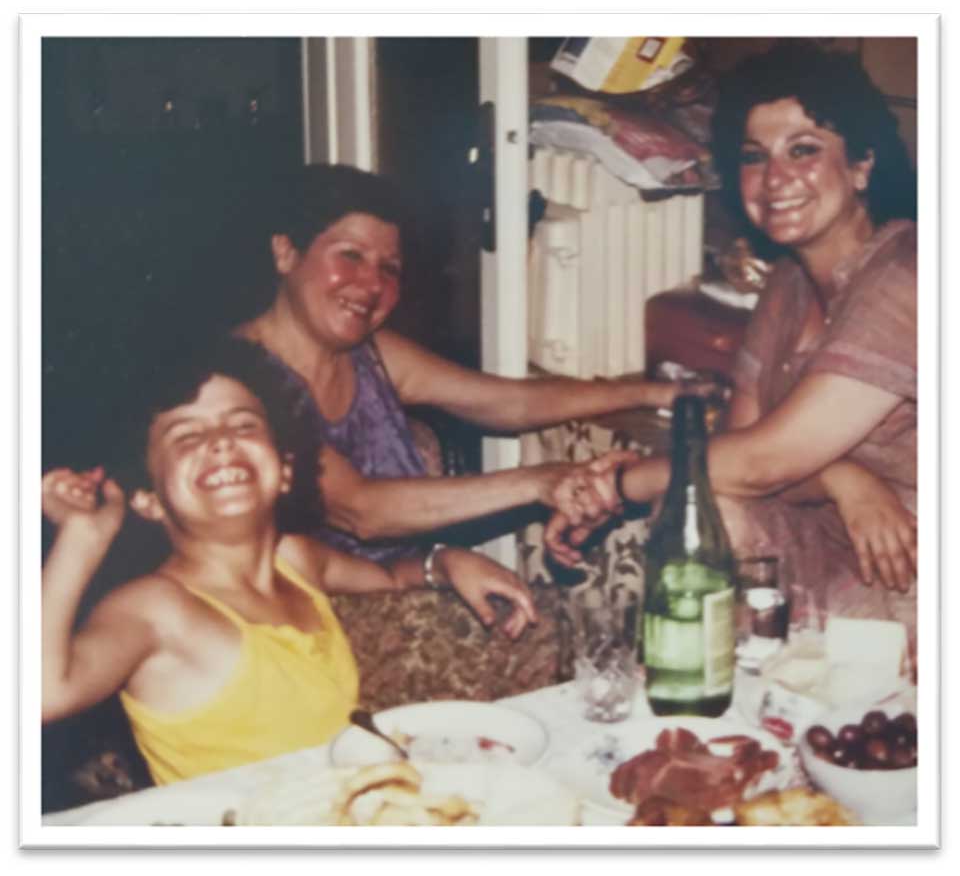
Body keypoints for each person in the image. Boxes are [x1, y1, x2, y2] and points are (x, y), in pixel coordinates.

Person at [545, 41, 918, 656]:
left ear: (862, 165)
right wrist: (839, 478)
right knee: (705, 511)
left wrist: (618, 485)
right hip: (828, 548)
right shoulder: (788, 283)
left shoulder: (908, 273)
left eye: (803, 150)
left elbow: (767, 461)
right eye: (753, 156)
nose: (776, 178)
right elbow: (742, 454)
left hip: (916, 571)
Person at [41, 338, 538, 786]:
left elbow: (389, 576)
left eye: (243, 424)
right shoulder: (155, 609)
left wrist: (445, 562)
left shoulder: (296, 560)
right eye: (186, 436)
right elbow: (40, 695)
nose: (221, 440)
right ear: (148, 499)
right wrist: (82, 537)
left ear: (283, 470)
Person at [233, 163, 688, 563]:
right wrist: (540, 482)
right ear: (285, 252)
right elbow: (362, 510)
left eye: (389, 269)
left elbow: (509, 403)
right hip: (299, 613)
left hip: (406, 583)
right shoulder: (240, 379)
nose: (371, 284)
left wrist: (652, 392)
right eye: (350, 255)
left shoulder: (370, 354)